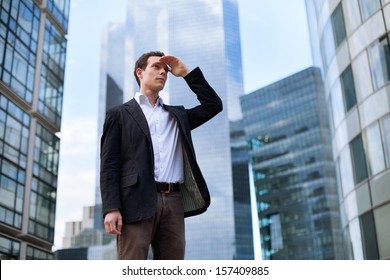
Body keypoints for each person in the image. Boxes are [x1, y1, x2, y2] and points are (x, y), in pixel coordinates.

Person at [100, 51, 223, 260]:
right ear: (140, 72)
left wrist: (185, 73)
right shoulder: (119, 114)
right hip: (135, 200)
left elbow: (213, 105)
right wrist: (111, 208)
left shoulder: (177, 116)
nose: (163, 73)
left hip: (174, 201)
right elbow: (109, 165)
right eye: (156, 67)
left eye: (165, 70)